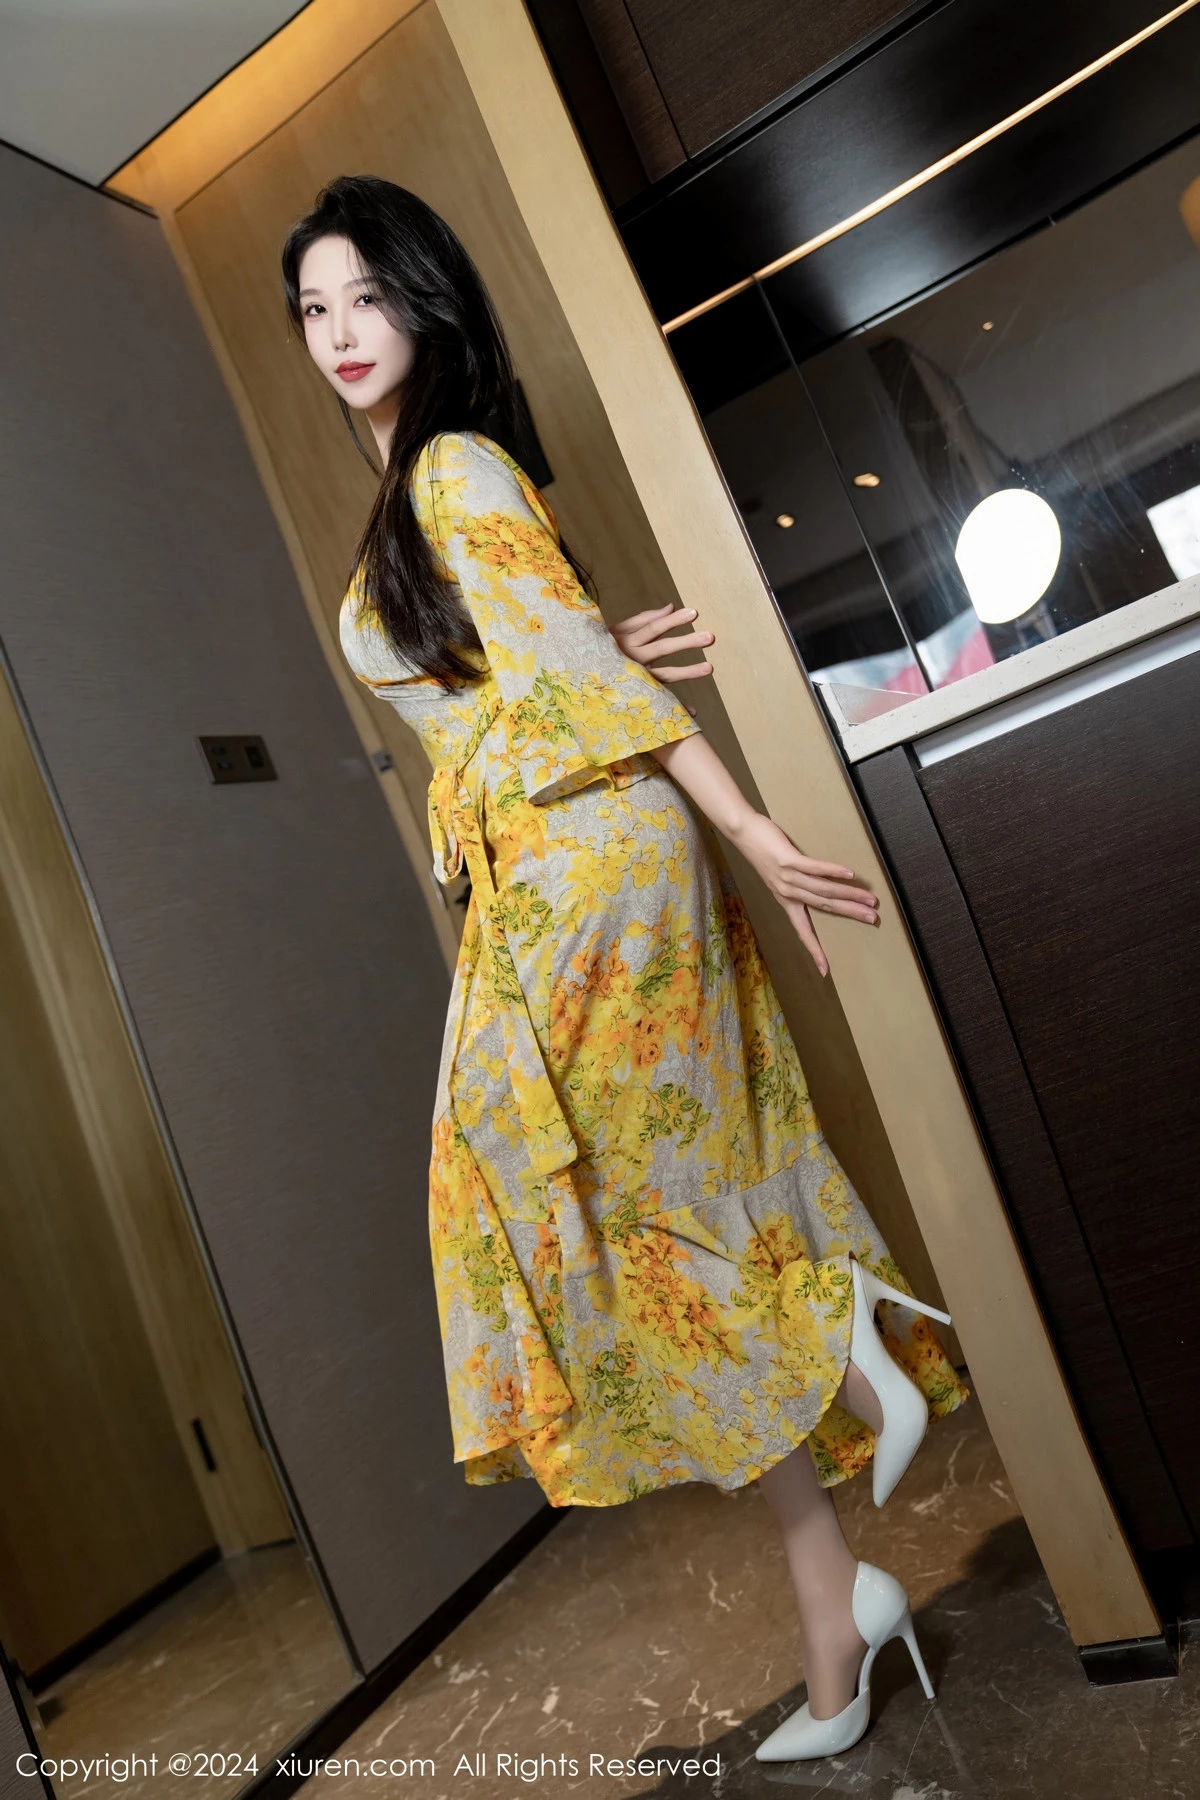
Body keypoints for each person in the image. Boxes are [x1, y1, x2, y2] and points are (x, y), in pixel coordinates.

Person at [282, 175, 969, 1761]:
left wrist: (748, 828)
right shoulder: (429, 488)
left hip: (584, 866)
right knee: (645, 1200)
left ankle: (845, 1346)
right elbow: (542, 664)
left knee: (580, 1198)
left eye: (366, 296)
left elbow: (577, 685)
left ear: (422, 298)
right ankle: (834, 1601)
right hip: (553, 859)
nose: (340, 332)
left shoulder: (449, 465)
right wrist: (586, 653)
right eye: (313, 308)